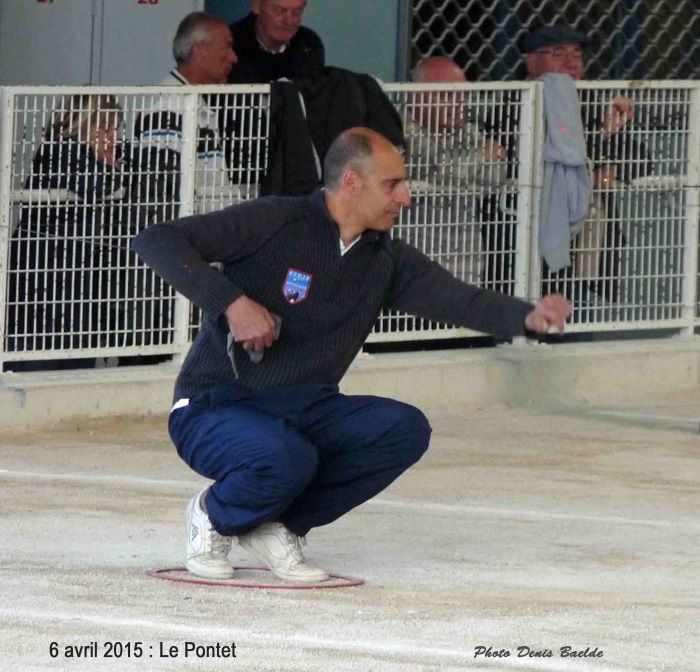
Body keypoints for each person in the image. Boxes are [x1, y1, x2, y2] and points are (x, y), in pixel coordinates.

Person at [131, 127, 571, 583]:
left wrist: (527, 317)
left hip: (306, 407)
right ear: (352, 183)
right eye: (393, 184)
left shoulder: (385, 258)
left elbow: (461, 300)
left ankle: (280, 524)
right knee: (288, 458)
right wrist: (232, 304)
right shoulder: (274, 221)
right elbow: (156, 240)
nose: (405, 197)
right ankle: (213, 514)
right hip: (214, 406)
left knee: (402, 429)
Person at [524, 24, 652, 303]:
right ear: (532, 61)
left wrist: (608, 163)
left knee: (578, 334)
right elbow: (524, 161)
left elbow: (641, 160)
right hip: (525, 253)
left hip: (587, 257)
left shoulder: (591, 102)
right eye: (558, 53)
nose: (571, 63)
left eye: (577, 54)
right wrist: (595, 154)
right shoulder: (517, 102)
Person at [7, 94, 129, 370]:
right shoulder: (60, 150)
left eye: (118, 128)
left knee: (75, 371)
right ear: (83, 126)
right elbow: (98, 185)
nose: (117, 137)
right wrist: (115, 169)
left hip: (75, 294)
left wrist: (116, 167)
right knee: (34, 374)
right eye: (108, 128)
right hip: (40, 290)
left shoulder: (90, 157)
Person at [405, 57, 508, 283]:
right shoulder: (403, 130)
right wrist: (482, 157)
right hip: (419, 257)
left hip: (466, 259)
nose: (458, 105)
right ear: (416, 96)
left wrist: (462, 169)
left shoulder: (468, 131)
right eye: (446, 96)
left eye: (462, 96)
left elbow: (497, 177)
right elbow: (442, 169)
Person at [133, 12, 239, 215]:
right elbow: (162, 195)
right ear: (199, 52)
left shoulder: (190, 101)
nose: (234, 57)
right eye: (227, 46)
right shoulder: (168, 106)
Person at [227, 0, 324, 85]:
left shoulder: (309, 44)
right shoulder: (229, 43)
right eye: (279, 11)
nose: (289, 22)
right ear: (256, 5)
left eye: (296, 12)